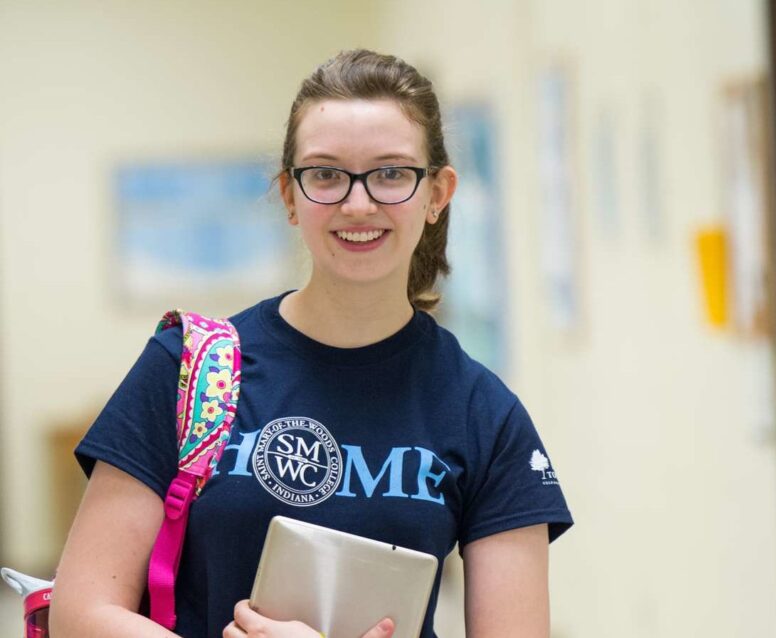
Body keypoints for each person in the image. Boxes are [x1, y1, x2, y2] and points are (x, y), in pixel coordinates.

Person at [49, 49, 573, 638]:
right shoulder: (188, 368)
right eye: (325, 174)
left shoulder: (483, 412)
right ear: (289, 196)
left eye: (392, 173)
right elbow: (80, 614)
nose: (358, 203)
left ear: (437, 195)